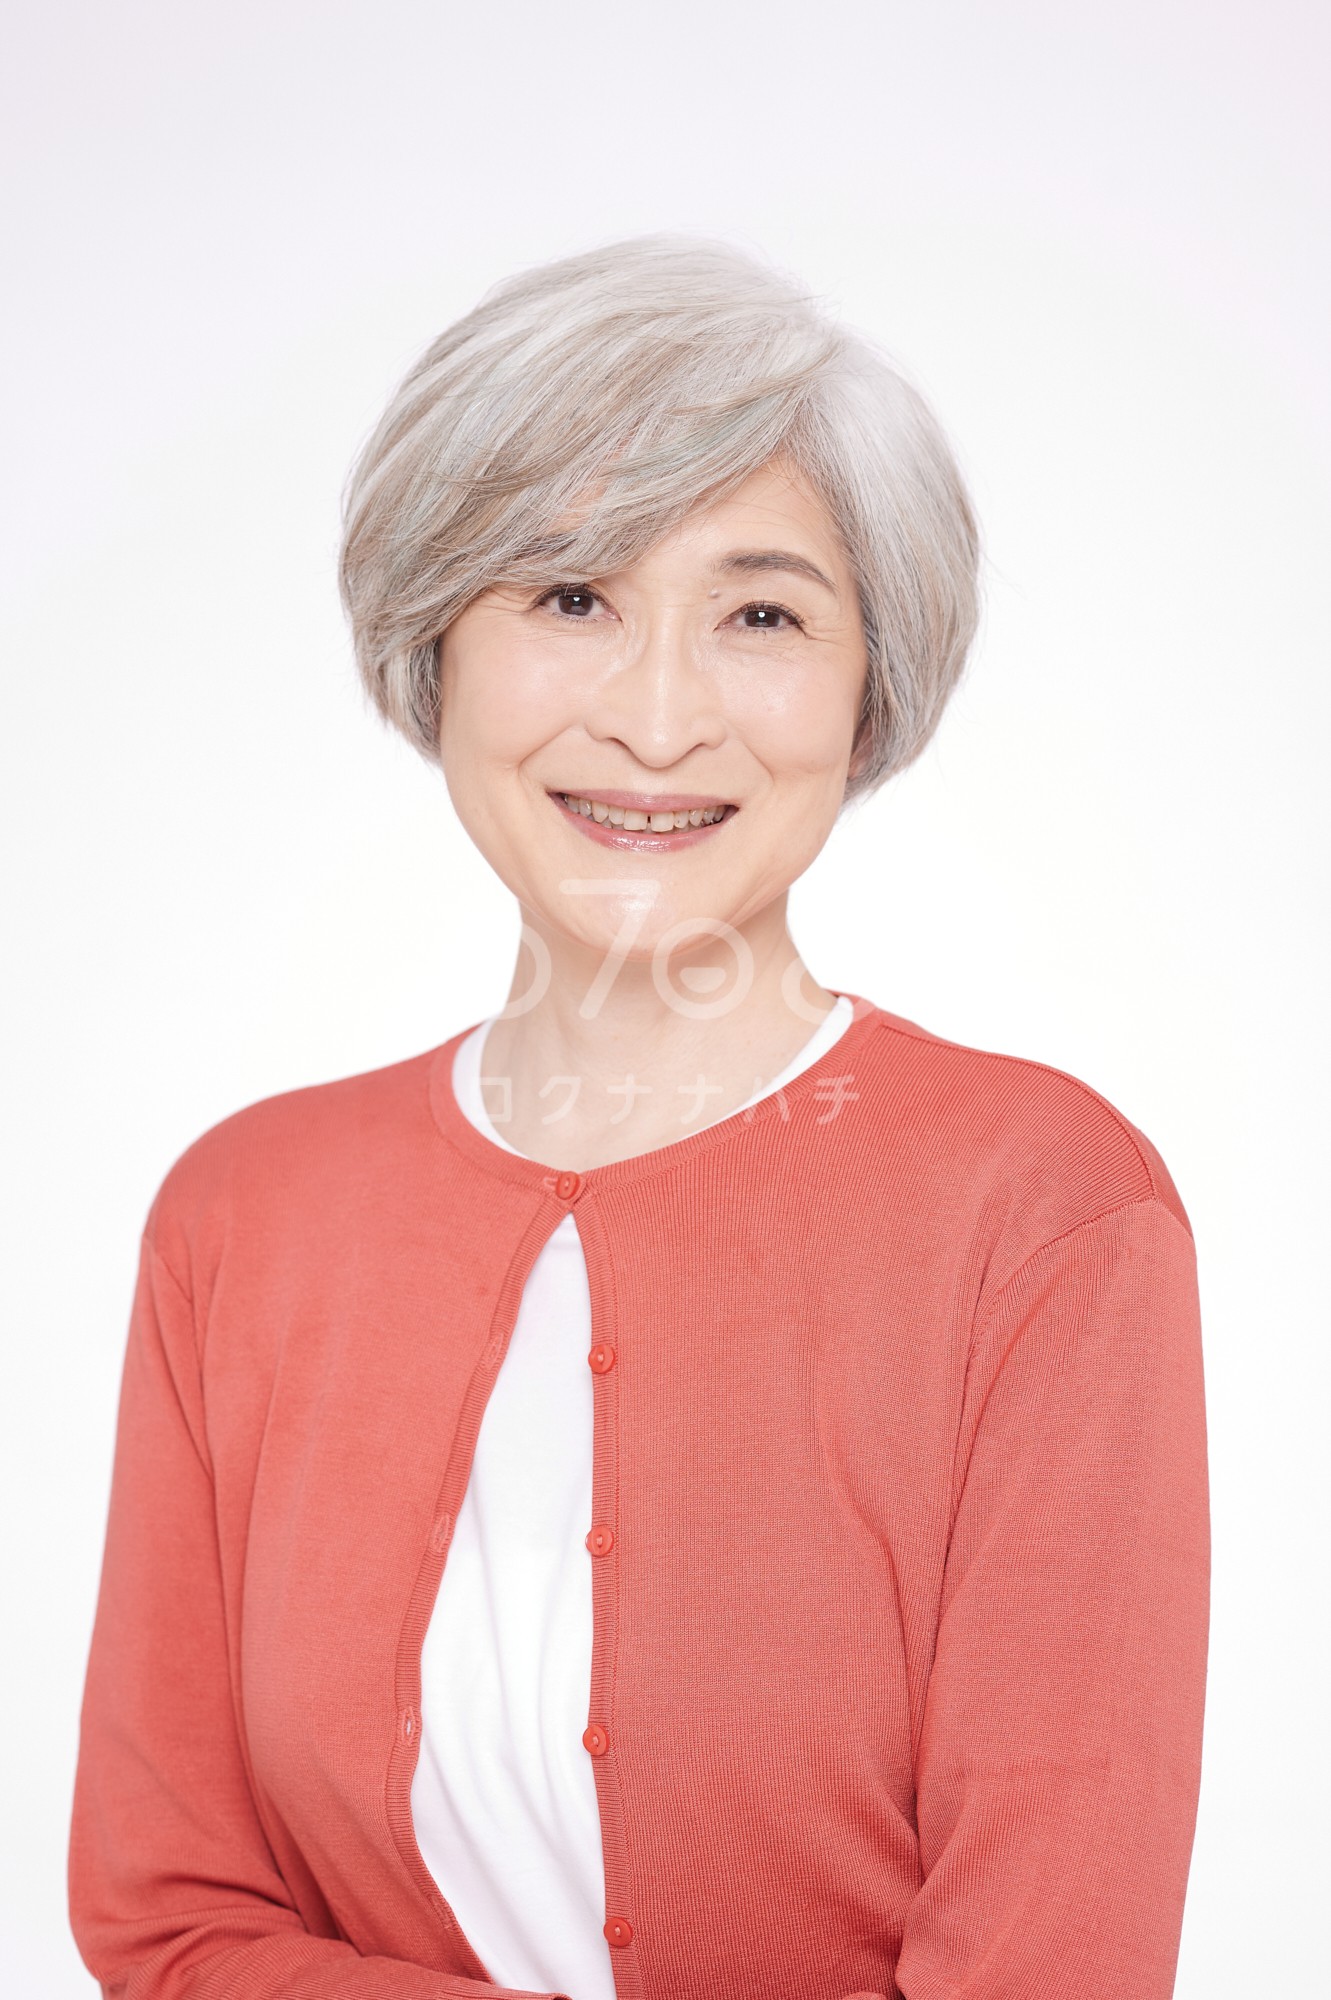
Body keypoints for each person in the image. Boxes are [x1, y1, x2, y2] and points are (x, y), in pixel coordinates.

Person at [68, 234, 1209, 2000]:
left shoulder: (1043, 1213)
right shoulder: (243, 1217)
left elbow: (1051, 1962)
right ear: (432, 647)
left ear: (869, 687)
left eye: (761, 614)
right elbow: (169, 1921)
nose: (659, 720)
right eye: (567, 595)